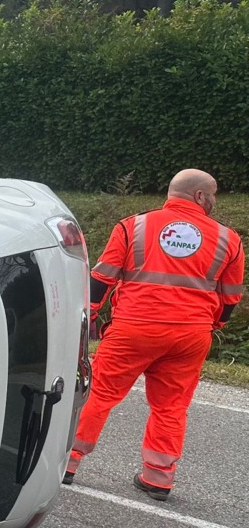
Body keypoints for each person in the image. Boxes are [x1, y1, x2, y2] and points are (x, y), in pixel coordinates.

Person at [63, 169, 243, 499]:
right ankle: (158, 478)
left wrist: (86, 317)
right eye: (214, 194)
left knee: (99, 393)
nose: (215, 200)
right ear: (200, 196)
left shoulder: (134, 226)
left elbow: (102, 277)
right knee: (171, 407)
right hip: (190, 335)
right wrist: (210, 325)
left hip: (134, 329)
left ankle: (67, 462)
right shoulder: (228, 239)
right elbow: (230, 296)